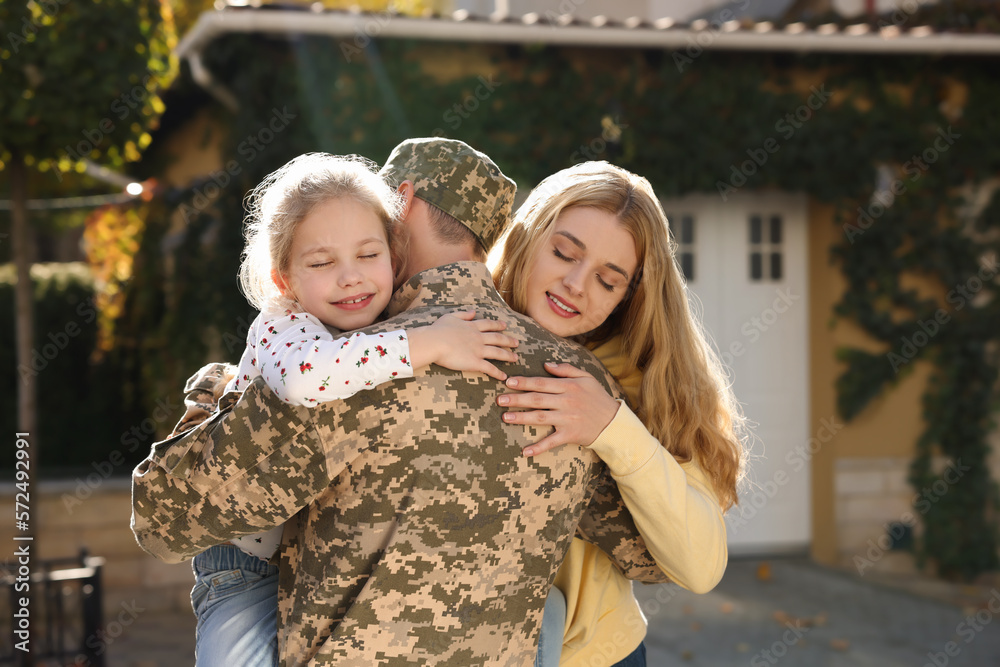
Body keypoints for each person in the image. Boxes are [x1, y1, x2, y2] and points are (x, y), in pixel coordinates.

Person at [131, 138, 667, 666]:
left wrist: (215, 397)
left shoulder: (354, 368)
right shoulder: (578, 386)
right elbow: (648, 554)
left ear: (401, 202)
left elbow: (164, 519)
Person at [182, 153, 520, 666]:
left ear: (394, 252)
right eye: (321, 263)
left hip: (312, 559)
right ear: (284, 281)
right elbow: (306, 377)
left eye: (369, 254)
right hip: (245, 560)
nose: (350, 278)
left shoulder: (371, 322)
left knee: (549, 609)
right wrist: (430, 342)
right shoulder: (282, 326)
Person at [492, 161, 746, 666]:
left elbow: (702, 566)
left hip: (592, 654)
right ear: (526, 236)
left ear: (630, 295)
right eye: (564, 253)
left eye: (608, 281)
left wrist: (611, 427)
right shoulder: (452, 324)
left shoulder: (644, 379)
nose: (576, 284)